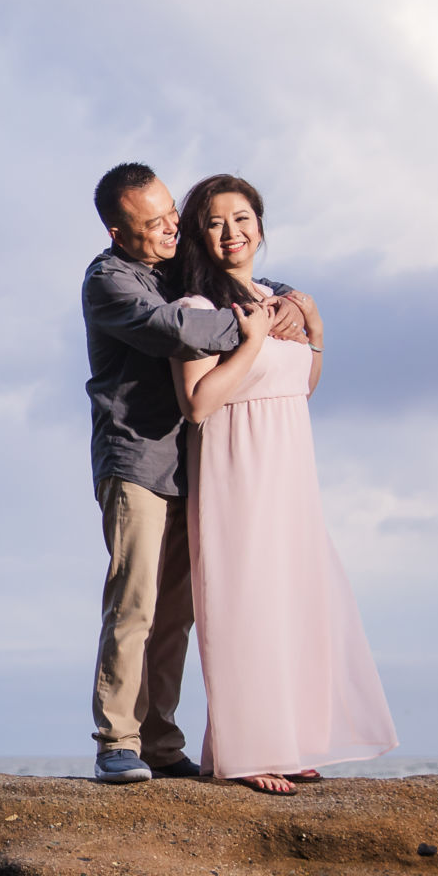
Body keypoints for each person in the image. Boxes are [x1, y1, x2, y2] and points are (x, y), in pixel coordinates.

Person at [168, 174, 397, 792]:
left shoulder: (281, 300)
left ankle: (289, 740)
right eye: (215, 222)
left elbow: (300, 387)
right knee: (246, 595)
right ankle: (246, 753)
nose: (231, 233)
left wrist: (315, 331)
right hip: (236, 460)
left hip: (290, 460)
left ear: (261, 227)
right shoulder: (196, 309)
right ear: (199, 233)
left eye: (242, 219)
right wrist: (253, 342)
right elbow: (197, 402)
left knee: (293, 595)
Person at [78, 162, 304, 784]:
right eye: (153, 225)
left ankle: (160, 741)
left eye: (172, 214)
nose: (171, 229)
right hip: (136, 460)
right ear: (120, 234)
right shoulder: (109, 281)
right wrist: (258, 322)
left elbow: (224, 275)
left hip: (192, 464)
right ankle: (116, 740)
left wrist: (289, 299)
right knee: (136, 602)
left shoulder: (169, 264)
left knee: (177, 612)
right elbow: (173, 328)